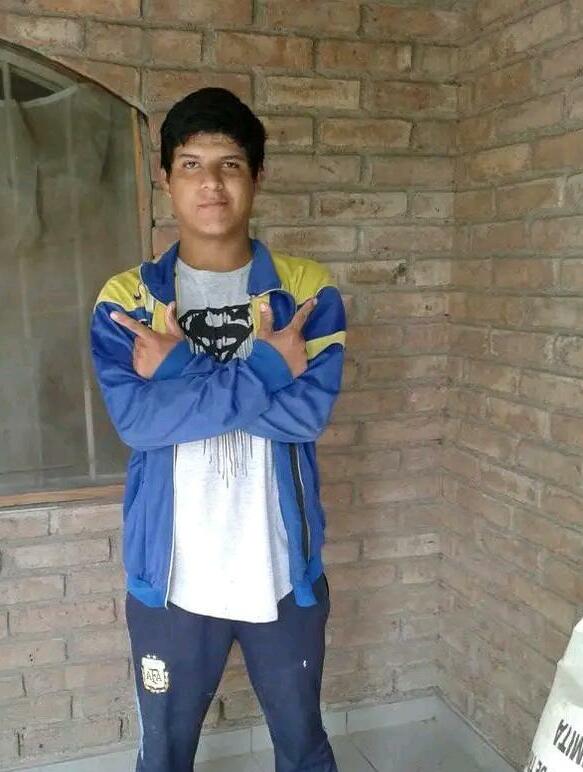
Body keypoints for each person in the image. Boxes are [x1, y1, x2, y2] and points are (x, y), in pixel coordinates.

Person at [90, 87, 346, 772]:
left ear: (256, 176)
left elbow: (306, 416)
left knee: (304, 748)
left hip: (280, 570)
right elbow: (139, 422)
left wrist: (179, 372)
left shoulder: (306, 291)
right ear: (165, 178)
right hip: (173, 579)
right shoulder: (127, 300)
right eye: (191, 164)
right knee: (164, 755)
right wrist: (268, 367)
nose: (211, 182)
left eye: (230, 164)